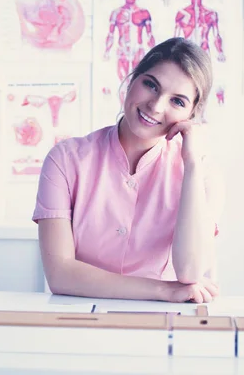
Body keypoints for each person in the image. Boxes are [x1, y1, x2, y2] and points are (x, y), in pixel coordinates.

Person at [32, 37, 225, 304]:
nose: (156, 106)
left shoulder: (202, 173)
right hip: (81, 319)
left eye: (178, 102)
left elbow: (190, 272)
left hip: (165, 323)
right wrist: (162, 289)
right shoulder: (65, 160)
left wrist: (192, 163)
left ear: (192, 115)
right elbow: (60, 275)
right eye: (151, 85)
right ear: (132, 79)